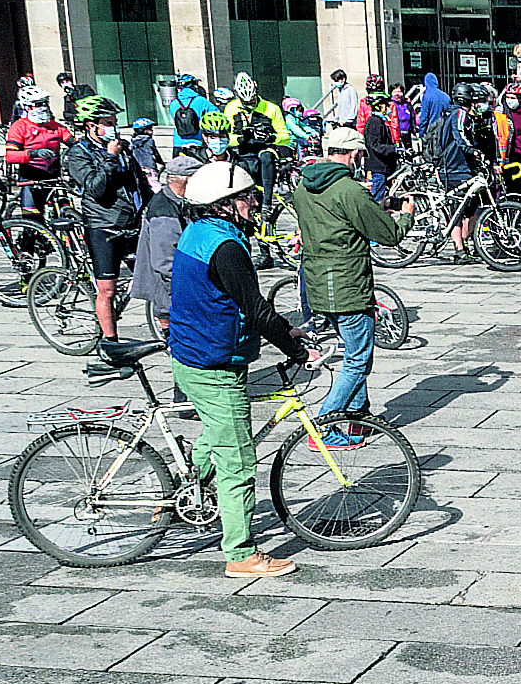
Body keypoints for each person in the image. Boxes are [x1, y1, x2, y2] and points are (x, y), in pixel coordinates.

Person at [170, 161, 318, 577]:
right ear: (224, 204)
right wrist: (298, 351)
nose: (255, 202)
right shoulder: (227, 247)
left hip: (196, 353)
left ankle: (178, 489)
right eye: (247, 196)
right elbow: (253, 310)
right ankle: (240, 553)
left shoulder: (200, 233)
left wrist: (284, 327)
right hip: (211, 362)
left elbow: (235, 302)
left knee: (219, 436)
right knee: (237, 457)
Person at [290, 128, 415, 443]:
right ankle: (321, 429)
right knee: (358, 360)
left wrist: (378, 206)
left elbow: (338, 222)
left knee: (355, 354)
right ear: (354, 154)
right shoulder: (349, 189)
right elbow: (389, 234)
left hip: (319, 285)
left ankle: (358, 418)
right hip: (349, 286)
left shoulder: (304, 188)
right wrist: (405, 216)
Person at [64, 95, 152, 345]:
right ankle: (110, 343)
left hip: (132, 225)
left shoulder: (122, 147)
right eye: (108, 122)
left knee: (156, 280)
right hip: (104, 226)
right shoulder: (79, 153)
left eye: (114, 121)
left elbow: (139, 182)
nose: (113, 126)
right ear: (91, 125)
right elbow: (95, 188)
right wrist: (110, 157)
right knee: (108, 289)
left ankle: (169, 334)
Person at [132, 154, 202, 345]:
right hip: (173, 293)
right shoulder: (164, 209)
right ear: (186, 180)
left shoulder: (182, 201)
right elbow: (166, 263)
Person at [433, 83, 486, 264]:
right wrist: (472, 150)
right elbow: (459, 134)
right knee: (457, 212)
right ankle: (459, 250)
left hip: (458, 168)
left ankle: (463, 245)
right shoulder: (459, 113)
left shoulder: (452, 114)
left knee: (472, 210)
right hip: (455, 168)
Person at [222, 72, 291, 211]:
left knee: (266, 158)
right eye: (245, 102)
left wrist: (271, 137)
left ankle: (267, 202)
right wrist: (242, 138)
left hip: (265, 148)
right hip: (243, 150)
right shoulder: (231, 108)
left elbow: (286, 137)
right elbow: (226, 139)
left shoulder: (271, 108)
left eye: (252, 101)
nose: (249, 105)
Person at [5, 85, 73, 220]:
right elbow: (10, 156)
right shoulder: (19, 127)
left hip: (54, 177)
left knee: (66, 212)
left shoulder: (55, 126)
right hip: (31, 179)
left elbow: (74, 143)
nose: (44, 107)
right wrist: (33, 154)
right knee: (33, 221)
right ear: (27, 107)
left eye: (45, 103)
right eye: (38, 104)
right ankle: (29, 239)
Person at [495, 83, 521, 196]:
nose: (510, 100)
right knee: (511, 194)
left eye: (513, 98)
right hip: (510, 160)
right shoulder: (500, 113)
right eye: (508, 97)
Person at [362, 92, 398, 202]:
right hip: (377, 169)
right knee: (377, 201)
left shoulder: (381, 122)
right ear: (380, 106)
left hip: (383, 168)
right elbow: (375, 146)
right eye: (386, 105)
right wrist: (394, 149)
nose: (389, 108)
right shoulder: (375, 122)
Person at [169, 73, 216, 150]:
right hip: (197, 142)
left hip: (178, 143)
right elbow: (216, 115)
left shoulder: (173, 103)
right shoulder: (201, 101)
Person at [129, 118, 164, 192]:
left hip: (138, 166)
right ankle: (159, 199)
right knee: (155, 184)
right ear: (143, 130)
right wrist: (161, 162)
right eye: (150, 129)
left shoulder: (133, 140)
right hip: (149, 165)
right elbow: (155, 153)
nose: (152, 131)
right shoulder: (149, 140)